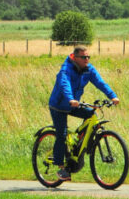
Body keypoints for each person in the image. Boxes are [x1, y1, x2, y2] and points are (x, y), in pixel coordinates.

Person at [48, 45, 120, 181]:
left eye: (88, 57)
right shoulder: (66, 69)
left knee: (91, 114)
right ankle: (61, 167)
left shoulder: (88, 69)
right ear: (75, 58)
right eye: (83, 57)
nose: (87, 59)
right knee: (61, 135)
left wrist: (112, 96)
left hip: (74, 104)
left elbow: (100, 82)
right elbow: (65, 85)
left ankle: (80, 145)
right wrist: (70, 99)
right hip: (59, 105)